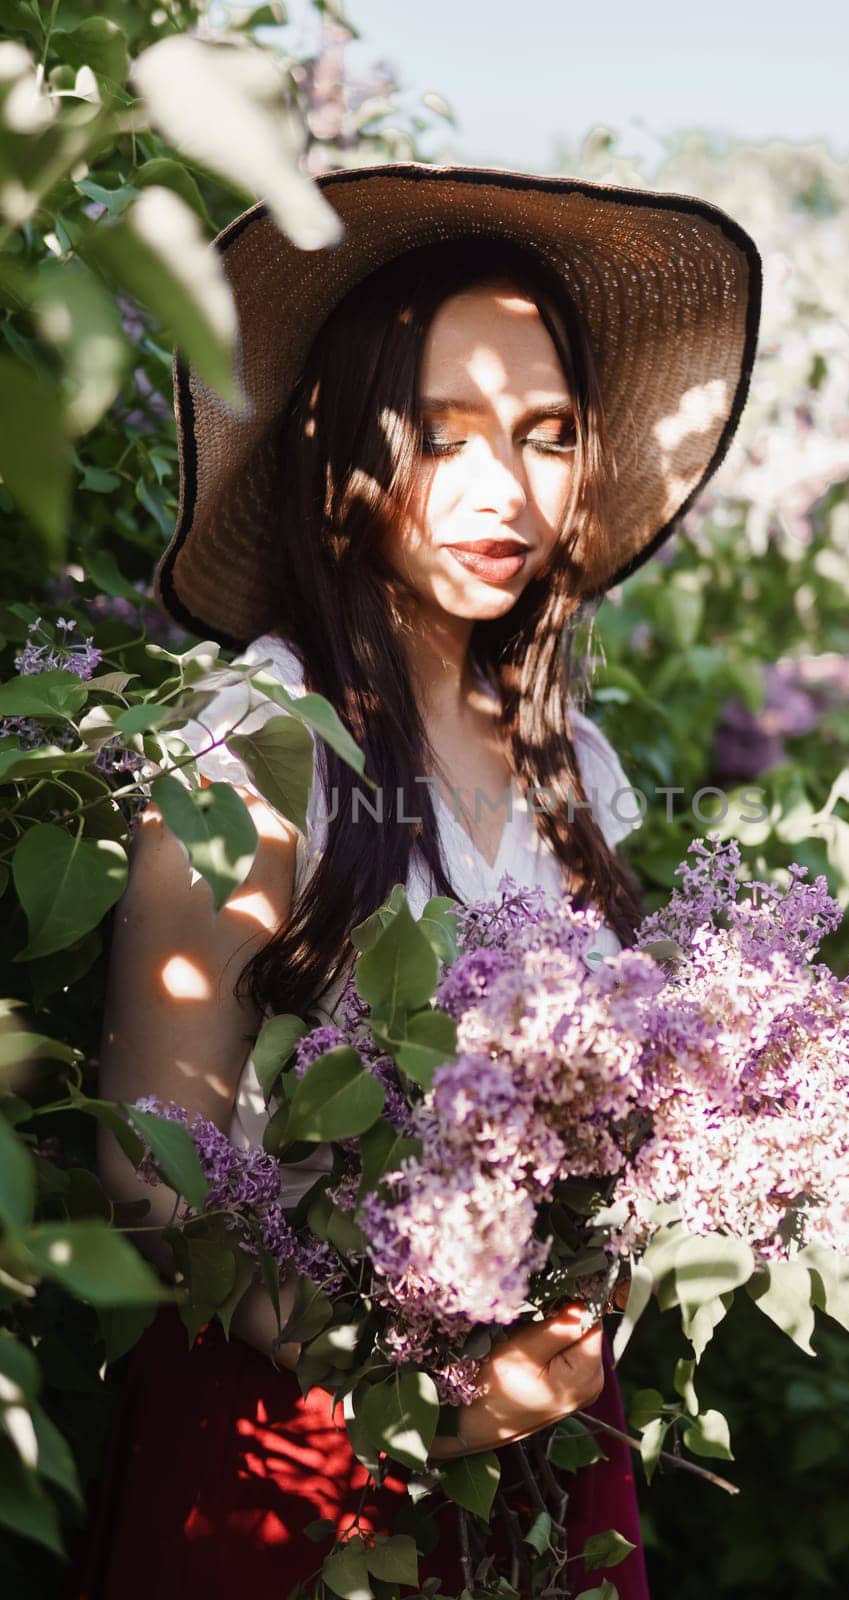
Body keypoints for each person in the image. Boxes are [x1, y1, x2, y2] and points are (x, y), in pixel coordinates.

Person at [83, 161, 761, 1598]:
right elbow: (150, 1175)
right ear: (337, 444)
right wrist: (424, 1392)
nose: (502, 489)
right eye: (443, 434)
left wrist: (610, 1283)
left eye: (546, 434)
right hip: (295, 1446)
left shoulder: (574, 763)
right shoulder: (256, 743)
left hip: (551, 1437)